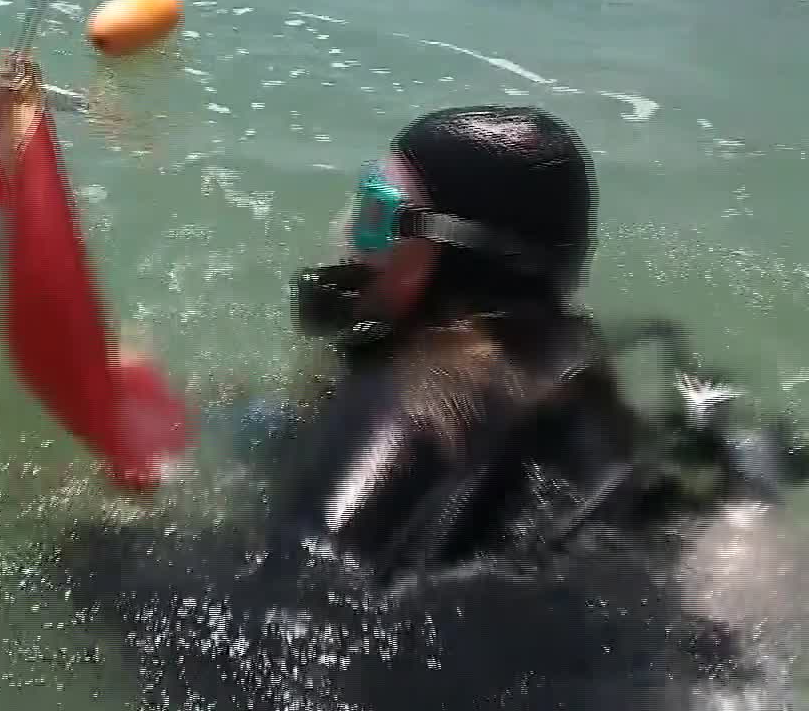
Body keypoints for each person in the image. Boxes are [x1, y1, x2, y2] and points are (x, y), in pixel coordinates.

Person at [54, 105, 804, 710]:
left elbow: (280, 639)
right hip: (646, 659)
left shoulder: (415, 392)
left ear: (454, 249)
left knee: (70, 555)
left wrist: (99, 558)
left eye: (377, 215)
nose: (348, 239)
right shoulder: (572, 376)